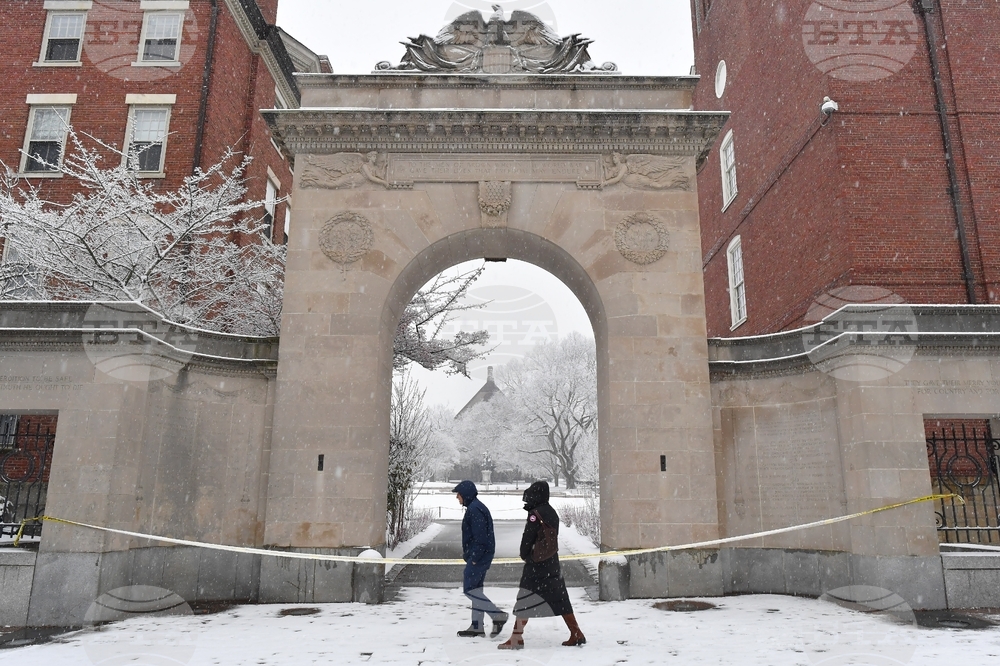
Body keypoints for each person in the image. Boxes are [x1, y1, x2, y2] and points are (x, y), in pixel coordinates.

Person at [498, 480, 586, 650]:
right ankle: (576, 632)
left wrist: (525, 554)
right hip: (551, 562)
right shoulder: (551, 512)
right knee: (560, 598)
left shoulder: (535, 514)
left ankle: (516, 638)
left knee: (525, 598)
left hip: (536, 564)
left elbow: (528, 538)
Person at [453, 480, 508, 638]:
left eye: (459, 494)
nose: (457, 497)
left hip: (479, 556)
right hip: (481, 555)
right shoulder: (475, 507)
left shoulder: (475, 510)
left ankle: (497, 615)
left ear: (465, 495)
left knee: (470, 589)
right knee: (476, 590)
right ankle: (477, 626)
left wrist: (475, 557)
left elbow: (481, 537)